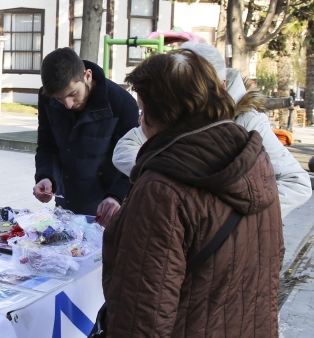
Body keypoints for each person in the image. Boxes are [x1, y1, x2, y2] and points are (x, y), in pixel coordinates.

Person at [97, 49, 282, 338]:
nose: (140, 121)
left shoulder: (163, 189)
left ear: (166, 114)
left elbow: (143, 313)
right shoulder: (256, 163)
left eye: (144, 110)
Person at [112, 41, 311, 218]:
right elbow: (126, 146)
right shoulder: (178, 112)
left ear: (220, 85)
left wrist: (231, 218)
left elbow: (297, 183)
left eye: (195, 86)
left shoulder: (248, 119)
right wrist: (167, 178)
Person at [33, 48, 139, 224]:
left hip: (107, 208)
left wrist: (117, 195)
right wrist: (45, 176)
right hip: (65, 204)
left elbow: (134, 162)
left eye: (73, 94)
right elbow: (47, 145)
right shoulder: (46, 97)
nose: (67, 104)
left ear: (87, 76)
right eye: (59, 99)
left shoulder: (123, 103)